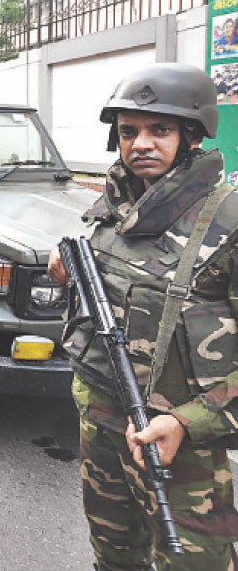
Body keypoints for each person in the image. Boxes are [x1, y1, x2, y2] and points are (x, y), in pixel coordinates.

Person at [45, 63, 238, 570]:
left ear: (190, 135)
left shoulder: (227, 222)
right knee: (113, 557)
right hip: (102, 424)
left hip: (182, 448)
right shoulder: (111, 207)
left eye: (160, 130)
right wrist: (68, 275)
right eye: (128, 132)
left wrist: (186, 423)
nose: (141, 144)